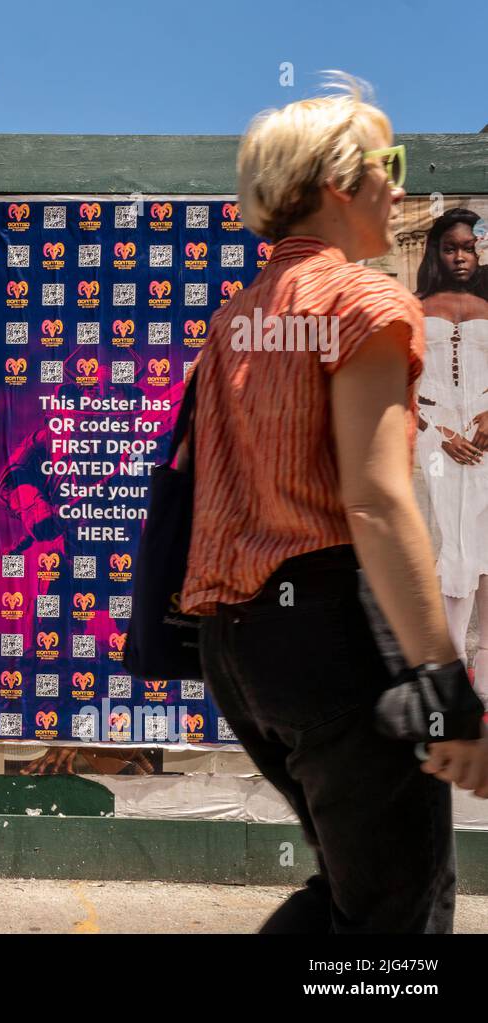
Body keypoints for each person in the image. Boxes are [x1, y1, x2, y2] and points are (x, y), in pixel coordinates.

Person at [178, 74, 488, 933]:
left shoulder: (235, 318)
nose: (401, 181)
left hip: (239, 648)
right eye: (387, 162)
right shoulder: (367, 300)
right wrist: (443, 679)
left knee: (354, 897)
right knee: (401, 918)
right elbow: (379, 499)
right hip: (333, 635)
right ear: (336, 183)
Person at [414, 209, 488, 682]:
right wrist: (439, 432)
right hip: (436, 438)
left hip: (486, 433)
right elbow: (397, 382)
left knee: (484, 543)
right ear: (436, 252)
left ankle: (483, 669)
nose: (461, 257)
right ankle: (451, 662)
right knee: (449, 544)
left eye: (469, 247)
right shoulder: (413, 306)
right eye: (450, 248)